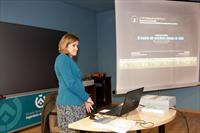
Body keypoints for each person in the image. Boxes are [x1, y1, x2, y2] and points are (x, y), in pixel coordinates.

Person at [54, 33, 94, 133]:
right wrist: (86, 97)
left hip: (77, 103)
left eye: (77, 46)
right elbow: (71, 83)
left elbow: (77, 83)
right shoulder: (62, 59)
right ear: (65, 45)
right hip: (68, 104)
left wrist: (84, 100)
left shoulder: (69, 60)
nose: (76, 48)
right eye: (73, 45)